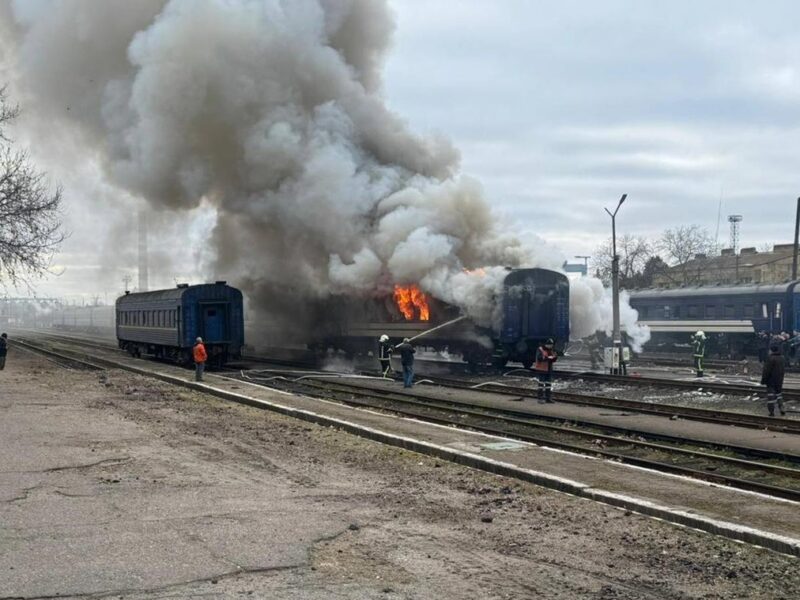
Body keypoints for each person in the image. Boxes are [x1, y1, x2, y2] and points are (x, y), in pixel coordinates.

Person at [761, 342, 786, 417]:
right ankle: (782, 408)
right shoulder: (782, 358)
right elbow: (783, 370)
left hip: (771, 381)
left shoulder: (770, 358)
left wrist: (763, 380)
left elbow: (766, 371)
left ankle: (771, 412)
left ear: (771, 350)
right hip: (779, 380)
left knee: (771, 397)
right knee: (779, 395)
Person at [535, 338, 558, 403]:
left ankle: (548, 398)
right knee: (541, 385)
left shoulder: (551, 350)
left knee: (548, 384)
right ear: (546, 344)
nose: (551, 346)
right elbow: (539, 358)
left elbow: (553, 359)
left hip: (549, 369)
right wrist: (547, 358)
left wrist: (555, 357)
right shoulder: (540, 349)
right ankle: (540, 398)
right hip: (542, 369)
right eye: (550, 345)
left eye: (551, 345)